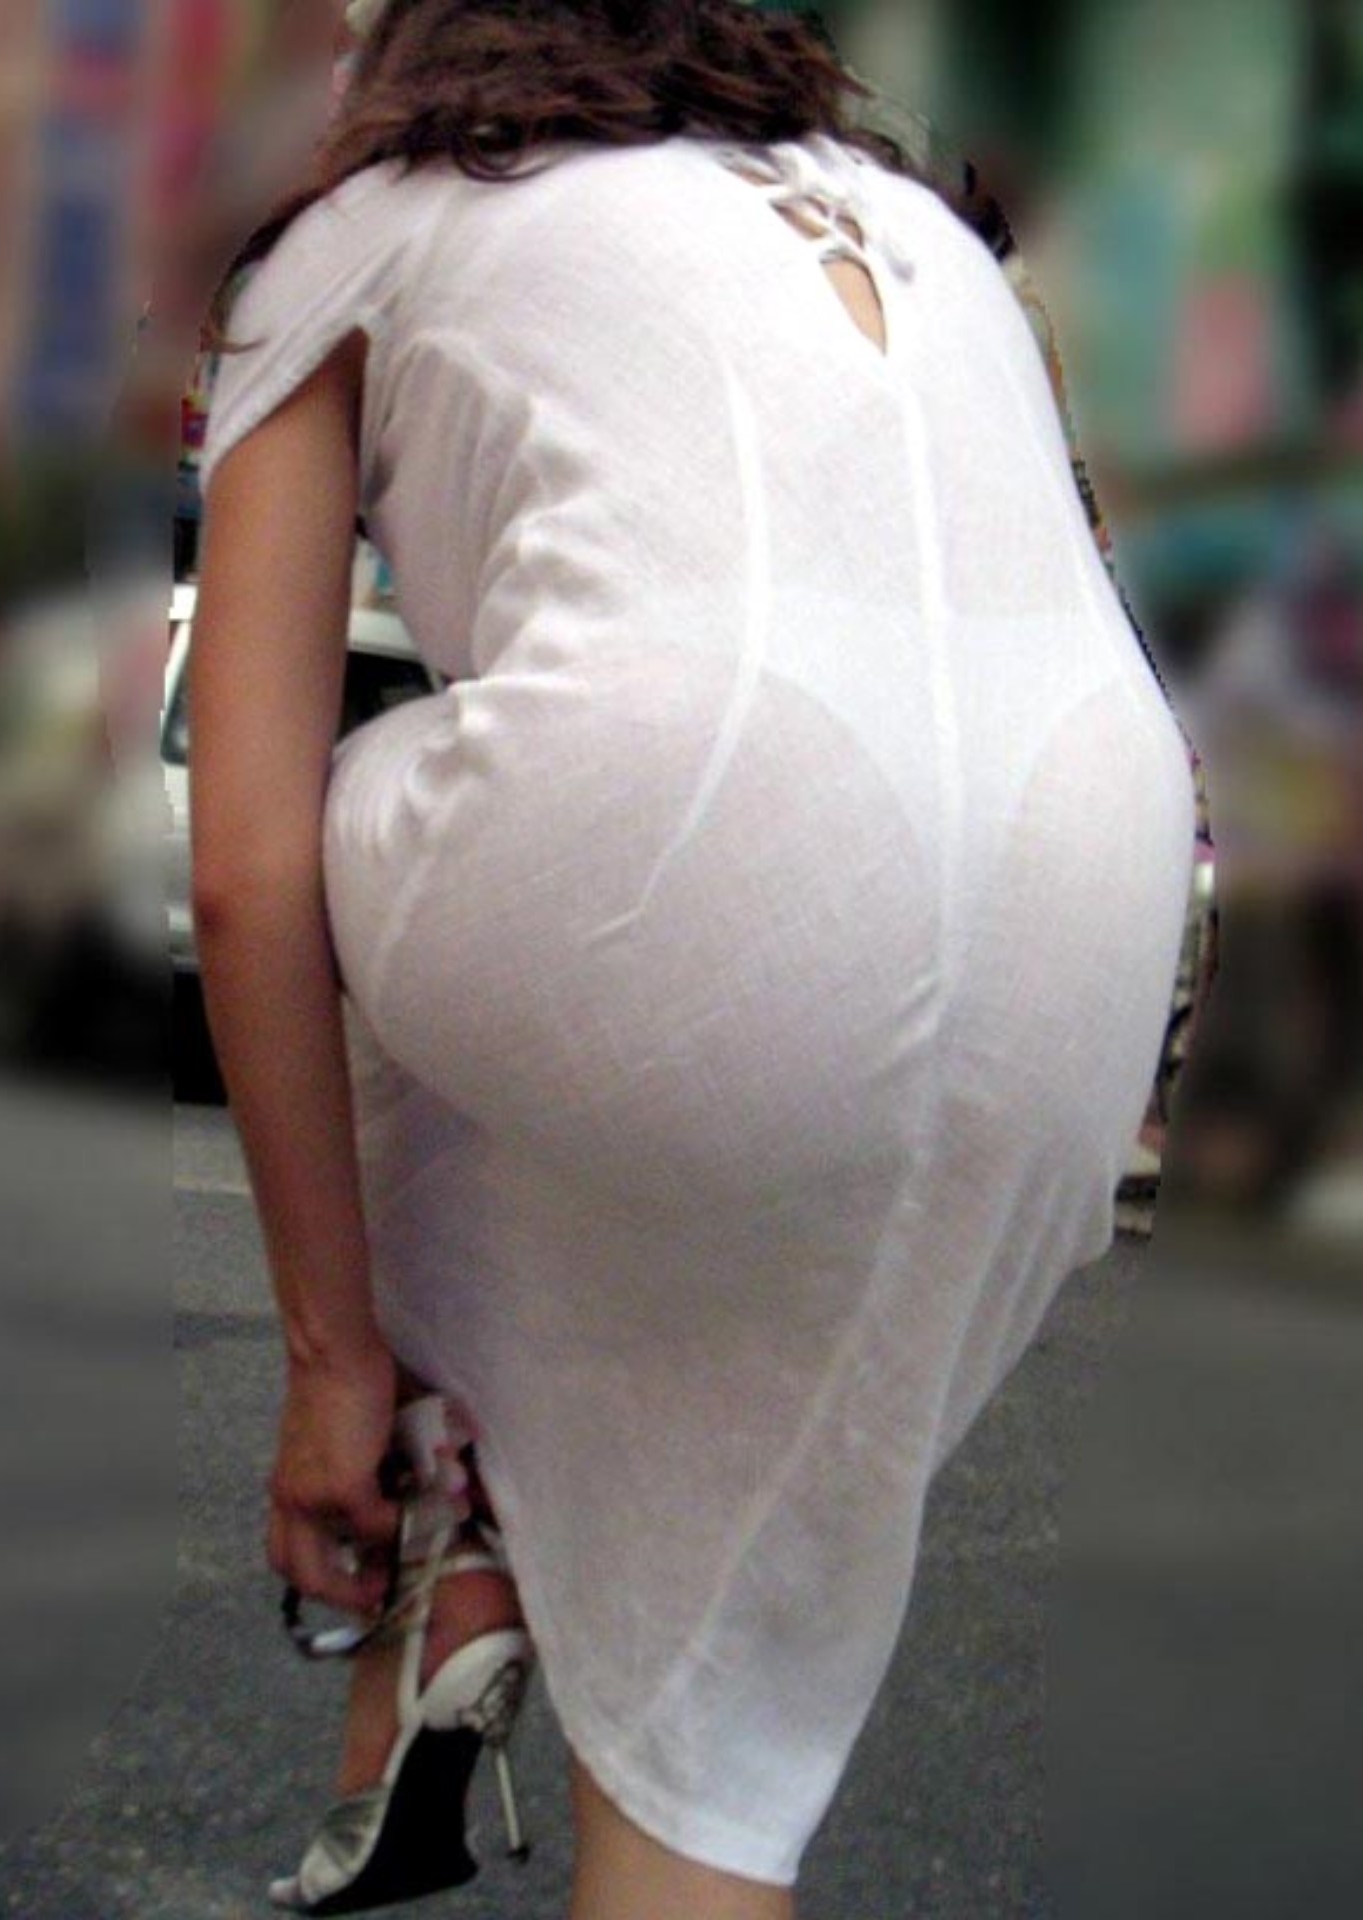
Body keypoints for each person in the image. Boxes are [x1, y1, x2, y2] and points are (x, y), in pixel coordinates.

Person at [189, 1, 1201, 1914]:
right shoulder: (915, 217)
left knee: (358, 829)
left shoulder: (355, 231)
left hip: (677, 821)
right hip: (1101, 899)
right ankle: (486, 1554)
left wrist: (327, 1361)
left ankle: (433, 1504)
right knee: (714, 1728)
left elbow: (240, 871)